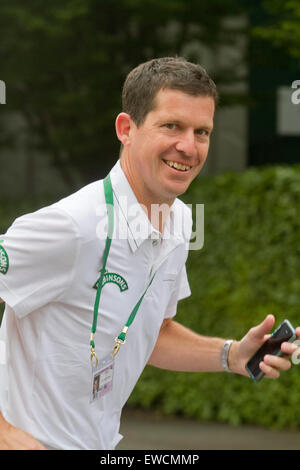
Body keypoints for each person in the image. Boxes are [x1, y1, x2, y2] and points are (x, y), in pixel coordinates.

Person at [0, 57, 299, 450]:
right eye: (171, 126)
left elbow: (152, 333)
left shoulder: (179, 223)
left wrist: (232, 355)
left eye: (202, 131)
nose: (188, 147)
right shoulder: (72, 226)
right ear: (127, 129)